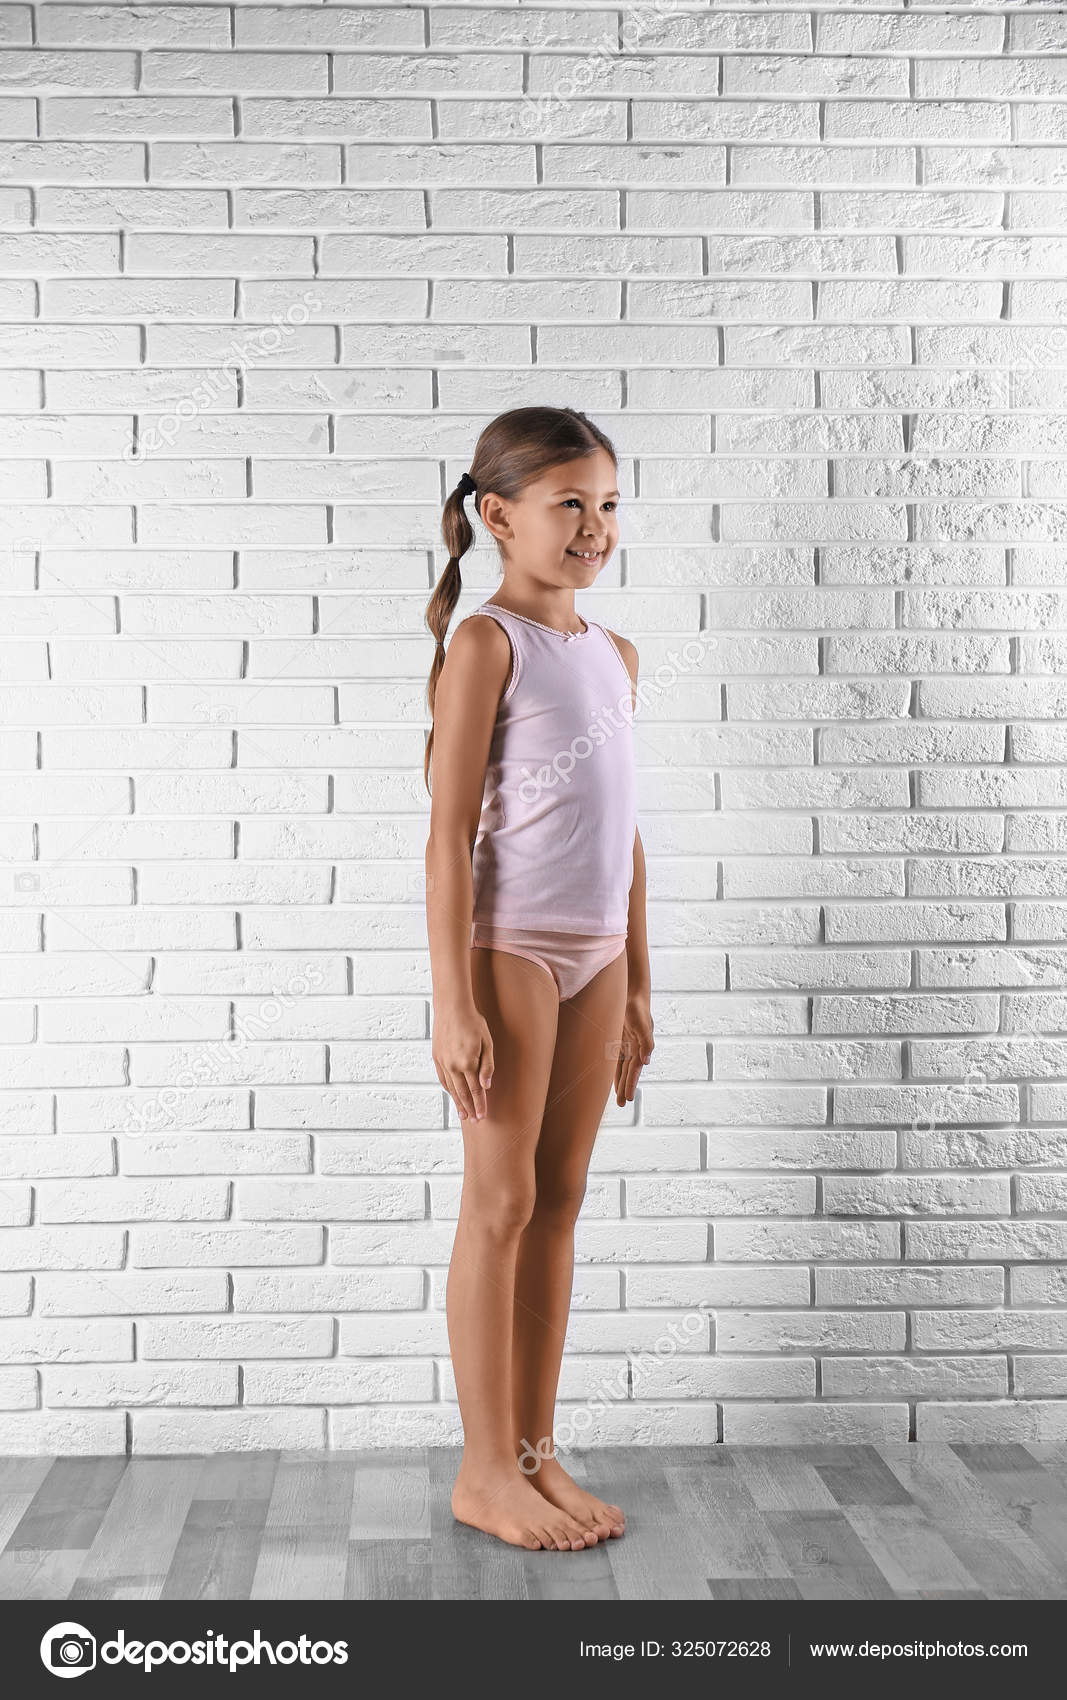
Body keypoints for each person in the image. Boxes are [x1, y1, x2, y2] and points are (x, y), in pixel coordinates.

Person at [423, 406, 654, 1552]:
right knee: (501, 1201)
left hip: (598, 956)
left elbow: (628, 835)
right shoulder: (487, 643)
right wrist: (451, 999)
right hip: (510, 947)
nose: (593, 526)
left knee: (556, 1204)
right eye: (569, 504)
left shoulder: (612, 654)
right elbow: (447, 831)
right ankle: (481, 1467)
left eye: (607, 504)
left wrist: (641, 982)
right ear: (499, 514)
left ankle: (534, 1449)